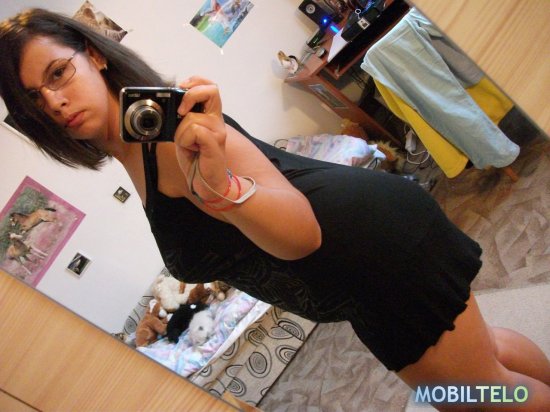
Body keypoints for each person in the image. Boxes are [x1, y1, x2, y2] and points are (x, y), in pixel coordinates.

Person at [1, 8, 549, 410]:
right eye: (32, 98)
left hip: (374, 253)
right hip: (361, 266)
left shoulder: (167, 137)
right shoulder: (134, 147)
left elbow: (301, 234)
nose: (54, 101)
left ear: (94, 54)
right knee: (485, 358)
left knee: (477, 394)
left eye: (58, 73)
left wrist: (221, 188)